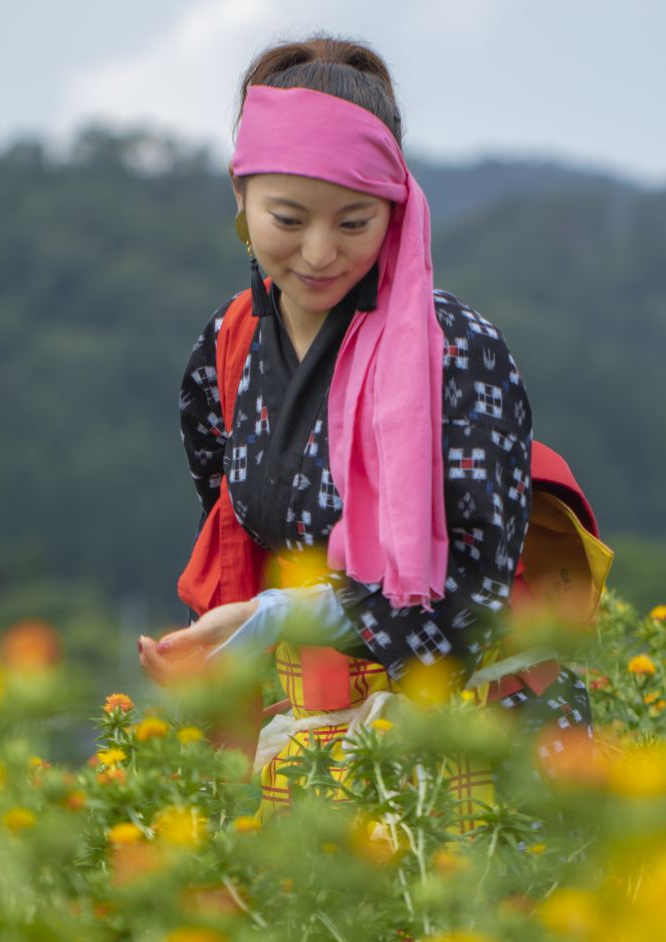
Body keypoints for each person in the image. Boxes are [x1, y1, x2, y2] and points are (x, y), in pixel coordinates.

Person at [138, 36, 610, 814]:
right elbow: (232, 528)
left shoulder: (455, 350)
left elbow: (467, 594)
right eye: (287, 218)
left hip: (476, 739)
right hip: (313, 739)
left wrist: (279, 617)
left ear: (395, 207)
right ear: (240, 197)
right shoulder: (227, 348)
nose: (320, 254)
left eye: (354, 223)